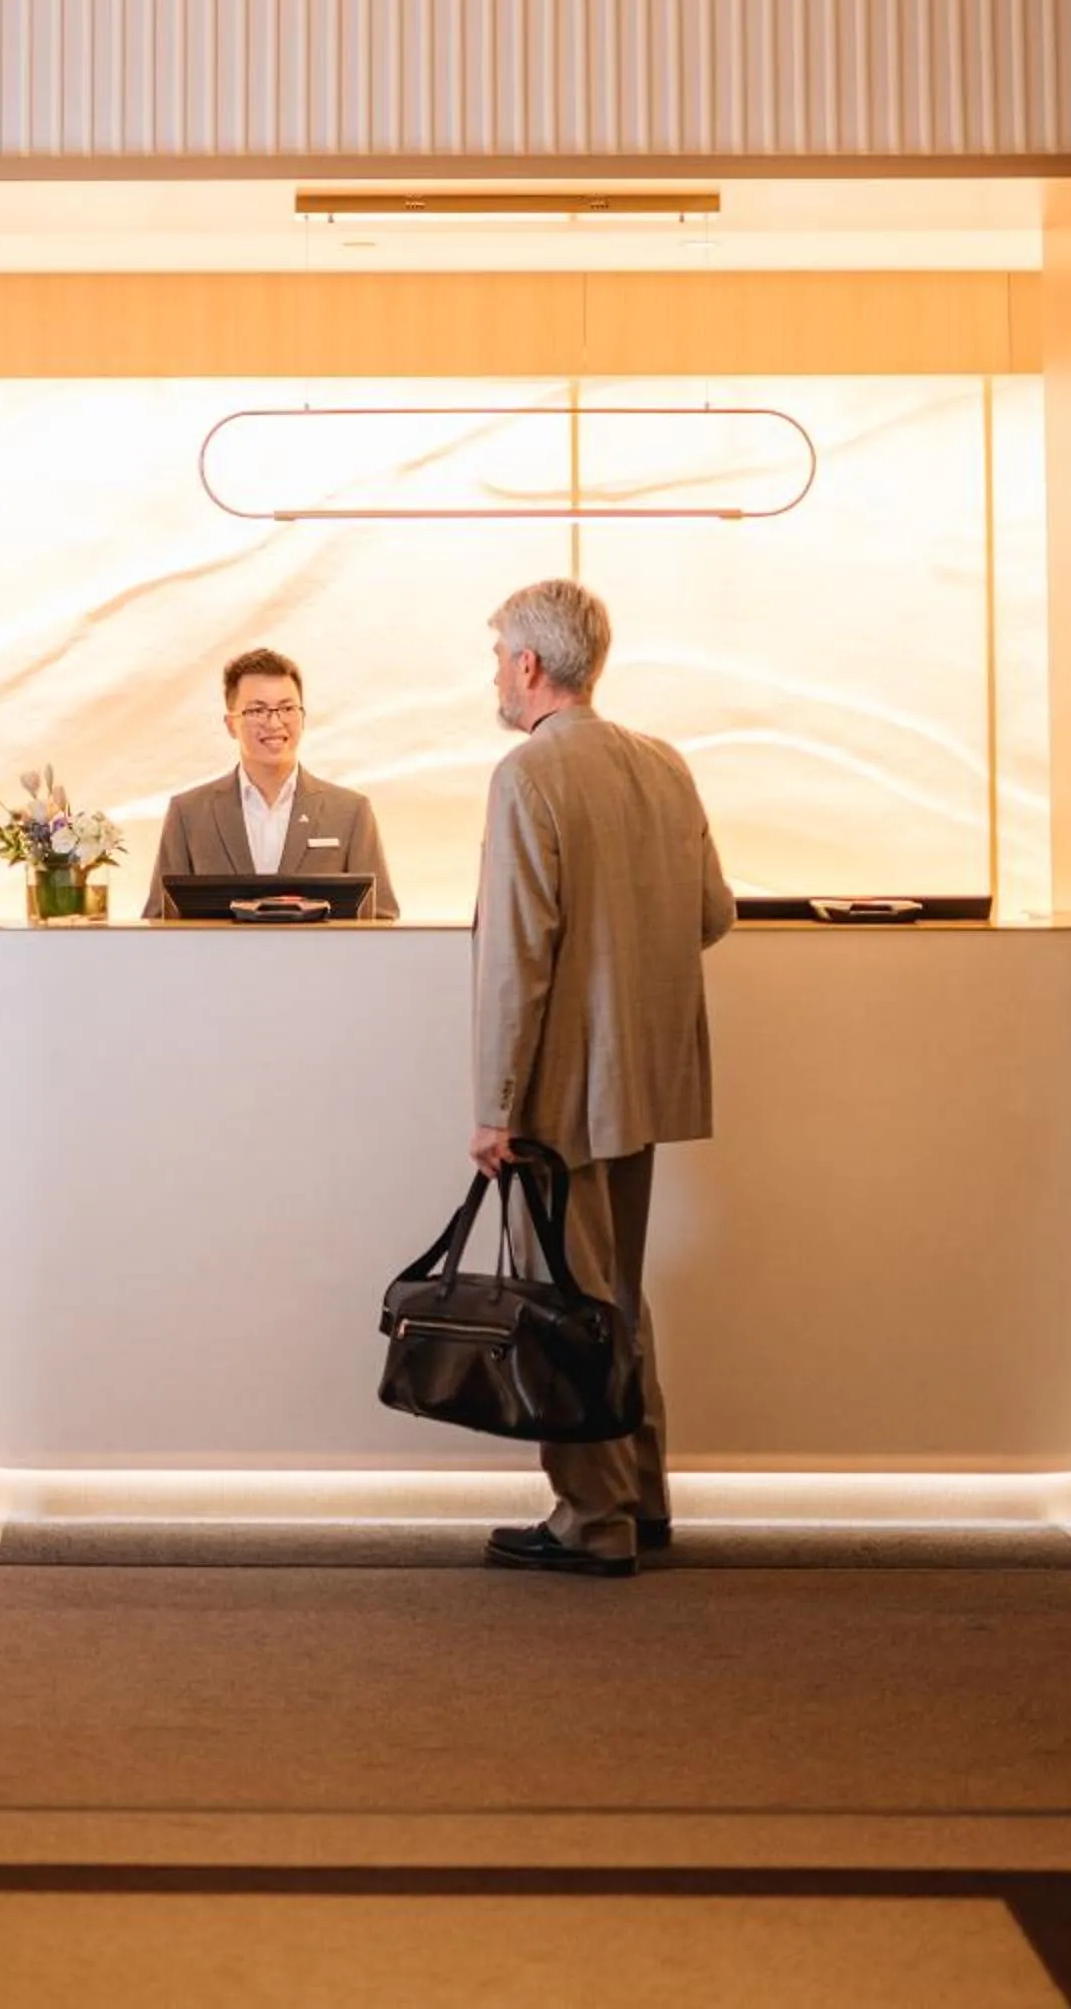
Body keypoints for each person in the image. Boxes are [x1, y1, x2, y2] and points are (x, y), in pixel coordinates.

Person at [471, 578, 734, 1578]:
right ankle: (644, 1491)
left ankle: (592, 1517)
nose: (496, 671)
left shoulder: (525, 774)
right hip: (645, 1079)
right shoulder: (661, 767)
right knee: (615, 1290)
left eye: (498, 654)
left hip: (557, 1088)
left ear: (529, 666)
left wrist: (493, 1108)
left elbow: (515, 959)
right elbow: (713, 913)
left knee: (562, 1294)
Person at [141, 646, 400, 919]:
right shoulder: (189, 813)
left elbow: (380, 917)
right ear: (231, 724)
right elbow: (160, 919)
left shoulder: (350, 811)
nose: (275, 722)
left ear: (303, 717)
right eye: (257, 710)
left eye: (287, 708)